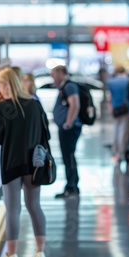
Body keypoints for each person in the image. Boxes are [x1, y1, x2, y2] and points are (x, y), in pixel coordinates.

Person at [0, 68, 48, 257]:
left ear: (5, 85)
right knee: (34, 206)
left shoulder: (3, 107)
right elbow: (44, 133)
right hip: (33, 164)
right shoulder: (35, 104)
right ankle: (40, 255)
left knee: (13, 209)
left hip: (11, 163)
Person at [51, 65, 82, 198]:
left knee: (68, 156)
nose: (53, 77)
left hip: (70, 128)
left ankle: (71, 186)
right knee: (68, 156)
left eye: (54, 74)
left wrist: (68, 123)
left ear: (61, 73)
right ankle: (72, 184)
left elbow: (75, 105)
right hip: (67, 127)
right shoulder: (64, 87)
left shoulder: (69, 86)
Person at [107, 66, 129, 162]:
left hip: (115, 109)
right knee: (123, 132)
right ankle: (121, 153)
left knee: (116, 130)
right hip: (126, 109)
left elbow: (109, 98)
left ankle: (114, 151)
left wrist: (111, 109)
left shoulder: (111, 82)